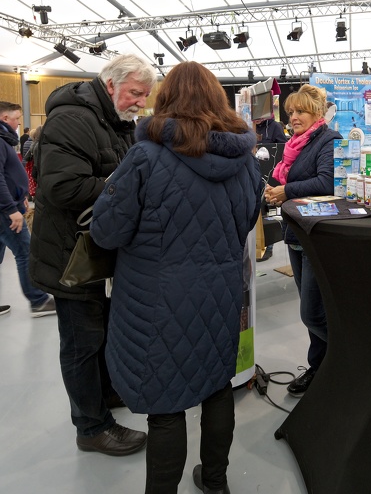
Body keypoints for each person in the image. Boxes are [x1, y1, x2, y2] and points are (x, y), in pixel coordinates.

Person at [91, 61, 261, 494]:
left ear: (166, 98)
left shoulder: (146, 156)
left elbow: (106, 231)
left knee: (166, 406)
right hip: (221, 294)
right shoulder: (244, 161)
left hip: (156, 302)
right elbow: (245, 223)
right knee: (217, 387)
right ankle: (216, 481)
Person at [29, 54, 155, 457]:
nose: (140, 102)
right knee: (82, 343)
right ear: (110, 83)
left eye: (144, 96)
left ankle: (106, 396)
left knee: (101, 335)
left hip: (98, 252)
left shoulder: (115, 122)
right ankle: (91, 427)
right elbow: (64, 188)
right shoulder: (72, 120)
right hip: (71, 258)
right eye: (135, 93)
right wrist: (130, 191)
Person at [264, 84, 341, 396]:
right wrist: (272, 190)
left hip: (316, 234)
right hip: (294, 230)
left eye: (300, 111)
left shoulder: (329, 140)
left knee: (311, 312)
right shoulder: (294, 143)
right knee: (313, 310)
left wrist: (285, 192)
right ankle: (320, 368)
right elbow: (283, 178)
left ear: (316, 112)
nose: (293, 117)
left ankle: (346, 357)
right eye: (291, 112)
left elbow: (327, 181)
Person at [0, 100, 56, 323]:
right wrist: (11, 209)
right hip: (0, 212)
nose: (18, 123)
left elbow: (2, 176)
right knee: (25, 252)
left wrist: (19, 198)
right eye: (16, 118)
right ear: (5, 118)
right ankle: (38, 301)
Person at [253, 115, 287, 261]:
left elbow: (282, 150)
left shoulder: (274, 127)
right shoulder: (247, 124)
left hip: (270, 172)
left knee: (269, 209)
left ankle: (269, 245)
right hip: (254, 173)